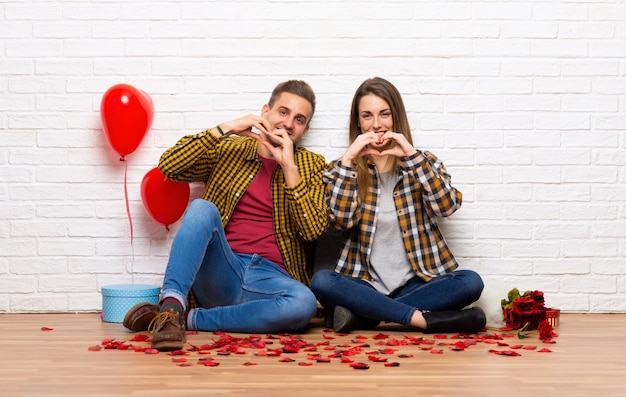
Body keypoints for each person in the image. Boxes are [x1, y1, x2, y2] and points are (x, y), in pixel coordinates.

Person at [123, 80, 329, 350]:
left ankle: (185, 319)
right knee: (201, 208)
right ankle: (171, 306)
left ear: (305, 129)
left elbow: (313, 230)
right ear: (265, 111)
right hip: (222, 270)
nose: (289, 123)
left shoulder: (312, 165)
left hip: (271, 279)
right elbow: (170, 166)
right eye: (283, 112)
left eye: (299, 119)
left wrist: (289, 167)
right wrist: (226, 128)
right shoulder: (230, 148)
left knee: (303, 304)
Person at [310, 77, 486, 334]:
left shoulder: (424, 162)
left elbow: (447, 207)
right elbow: (342, 221)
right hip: (364, 285)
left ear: (396, 117)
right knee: (322, 281)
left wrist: (412, 157)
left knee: (471, 282)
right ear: (358, 122)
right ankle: (421, 319)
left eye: (384, 114)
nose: (377, 124)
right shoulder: (341, 169)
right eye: (367, 116)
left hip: (418, 283)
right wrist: (349, 159)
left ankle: (365, 316)